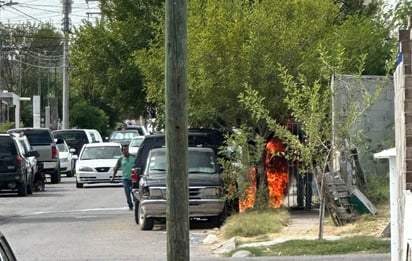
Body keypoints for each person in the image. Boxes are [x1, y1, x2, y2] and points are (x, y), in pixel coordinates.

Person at [112, 145, 135, 210]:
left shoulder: (133, 157)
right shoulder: (121, 159)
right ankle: (130, 205)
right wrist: (113, 177)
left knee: (133, 192)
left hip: (133, 178)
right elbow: (116, 168)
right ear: (122, 151)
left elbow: (138, 165)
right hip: (125, 179)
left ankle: (136, 204)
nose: (126, 151)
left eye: (127, 149)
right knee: (127, 192)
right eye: (124, 150)